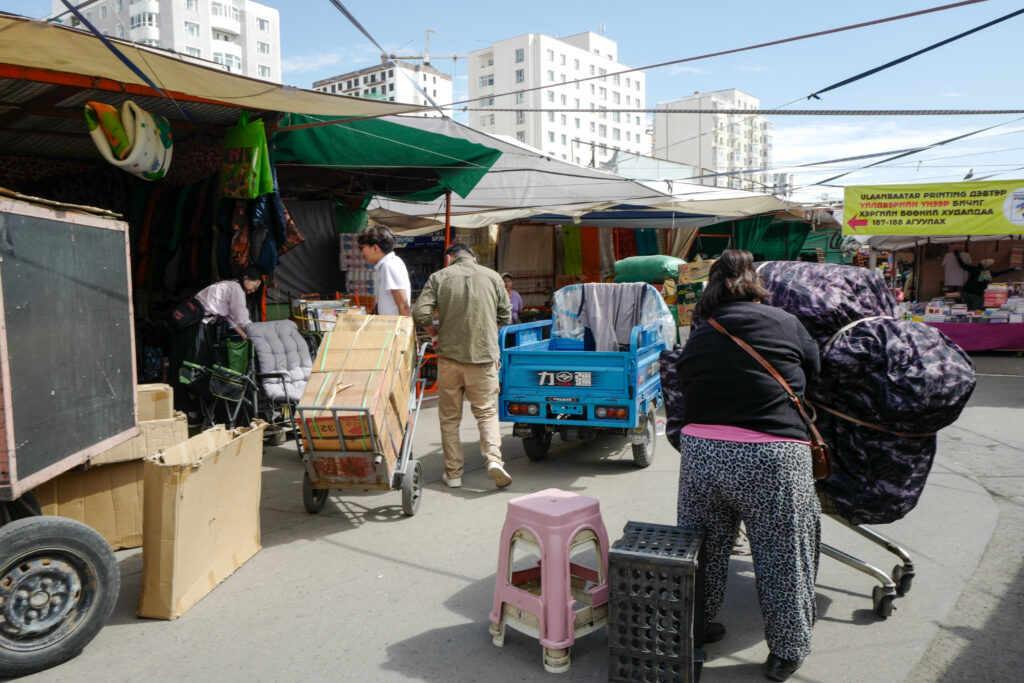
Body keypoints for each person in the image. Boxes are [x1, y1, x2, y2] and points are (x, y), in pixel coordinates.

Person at [668, 250, 821, 682]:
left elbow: (684, 383)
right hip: (772, 456)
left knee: (703, 549)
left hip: (702, 454)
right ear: (753, 282)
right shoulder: (785, 322)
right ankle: (786, 651)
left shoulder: (701, 331)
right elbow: (814, 372)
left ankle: (697, 628)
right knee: (780, 554)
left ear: (712, 286)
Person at [413, 243, 513, 489]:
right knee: (486, 412)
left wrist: (434, 334)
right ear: (474, 257)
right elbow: (506, 316)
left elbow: (421, 314)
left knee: (449, 418)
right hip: (484, 357)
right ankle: (493, 460)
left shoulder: (439, 277)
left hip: (449, 357)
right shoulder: (493, 277)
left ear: (449, 258)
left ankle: (454, 474)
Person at [194, 267, 263, 340]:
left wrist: (244, 335)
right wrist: (257, 333)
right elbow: (242, 319)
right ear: (246, 279)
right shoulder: (237, 290)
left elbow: (229, 317)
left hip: (197, 317)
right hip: (199, 319)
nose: (254, 290)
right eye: (255, 287)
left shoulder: (232, 285)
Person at [358, 225, 411, 316]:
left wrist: (406, 329)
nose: (362, 252)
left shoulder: (390, 265)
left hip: (394, 328)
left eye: (362, 248)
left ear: (375, 248)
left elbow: (403, 305)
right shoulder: (386, 265)